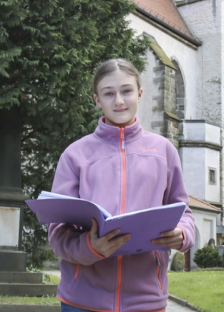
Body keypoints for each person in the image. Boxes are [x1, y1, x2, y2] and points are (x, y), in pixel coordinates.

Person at [48, 58, 195, 312]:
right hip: (82, 301)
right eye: (109, 93)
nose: (118, 101)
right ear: (97, 100)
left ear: (139, 94)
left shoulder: (164, 151)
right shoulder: (75, 155)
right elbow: (57, 230)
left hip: (146, 301)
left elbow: (184, 213)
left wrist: (182, 234)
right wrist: (90, 248)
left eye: (126, 91)